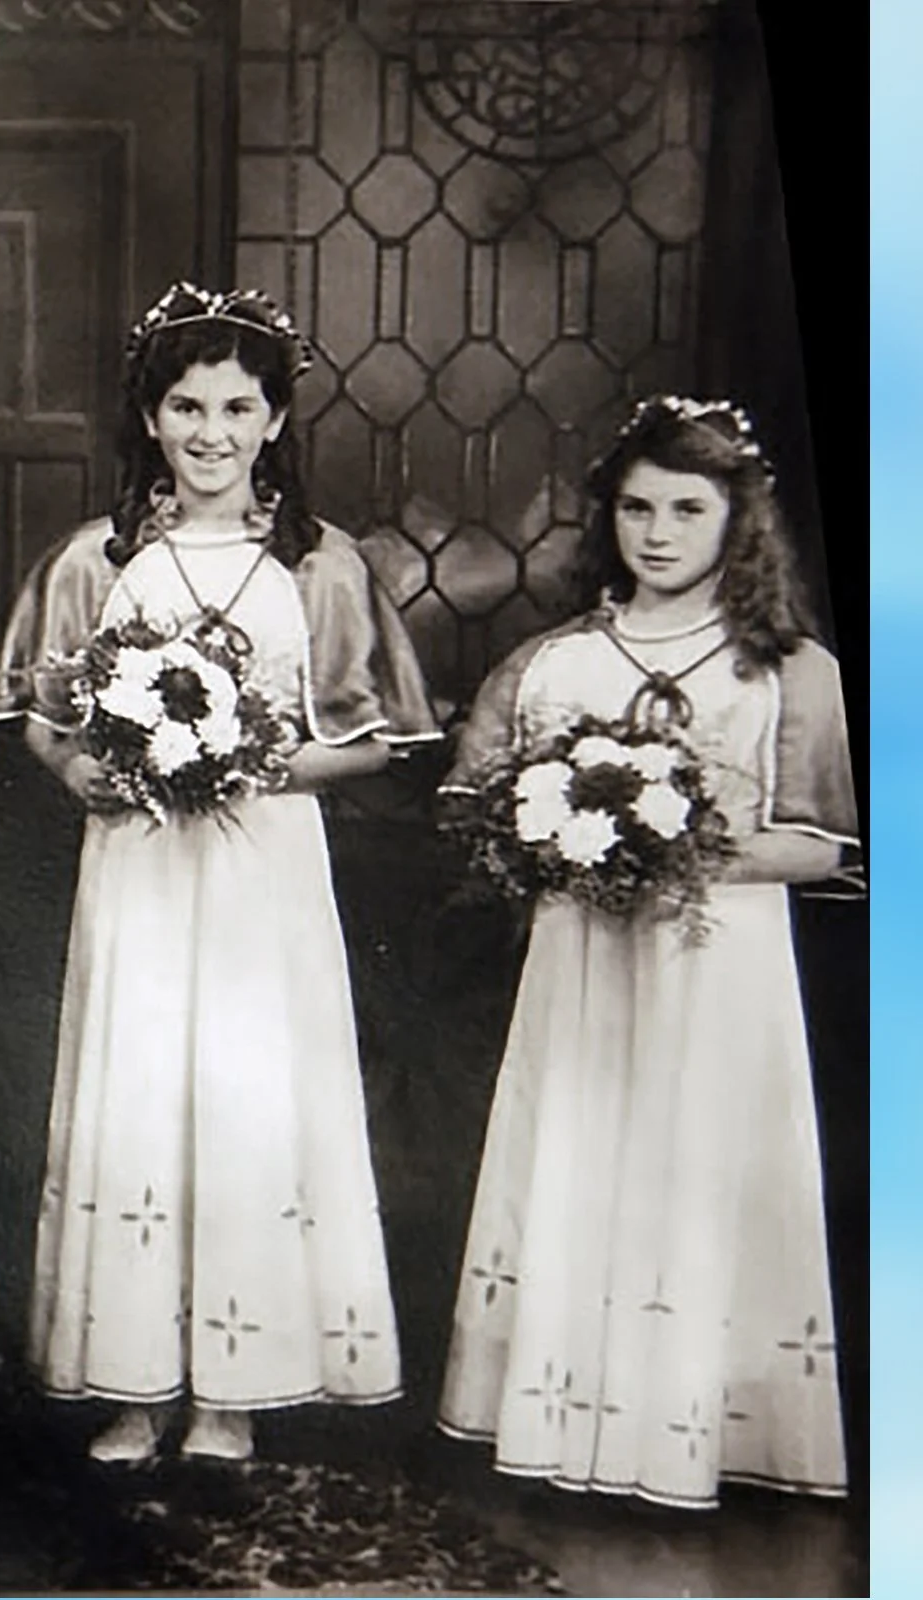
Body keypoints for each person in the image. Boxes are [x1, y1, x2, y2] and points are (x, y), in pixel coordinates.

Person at [0, 283, 437, 1462]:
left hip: (260, 876)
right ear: (150, 417)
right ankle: (133, 1379)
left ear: (277, 420)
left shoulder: (321, 569)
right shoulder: (99, 559)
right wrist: (76, 767)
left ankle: (233, 1384)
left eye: (239, 407)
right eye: (186, 406)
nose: (212, 433)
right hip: (135, 865)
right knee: (140, 1087)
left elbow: (379, 734)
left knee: (245, 1095)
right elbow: (41, 709)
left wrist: (254, 765)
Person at [436, 396, 857, 1507]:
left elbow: (819, 846)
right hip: (582, 970)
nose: (657, 532)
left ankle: (690, 1430)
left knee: (701, 1171)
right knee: (581, 1154)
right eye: (635, 507)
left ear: (739, 520)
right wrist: (568, 845)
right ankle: (561, 1417)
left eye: (686, 508)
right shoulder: (557, 663)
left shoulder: (785, 670)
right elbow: (478, 810)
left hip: (717, 977)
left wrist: (679, 846)